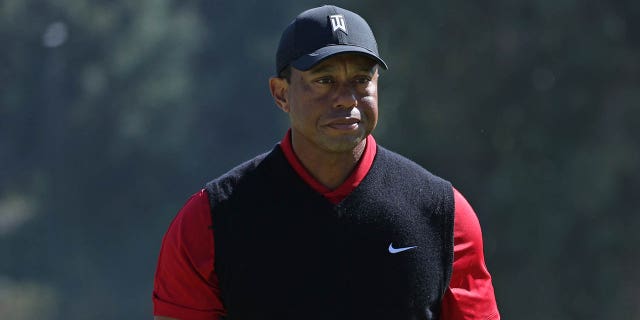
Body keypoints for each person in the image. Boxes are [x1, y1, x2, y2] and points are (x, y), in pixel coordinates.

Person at [153, 5, 500, 320]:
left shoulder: (444, 215)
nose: (346, 99)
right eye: (324, 81)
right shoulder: (209, 222)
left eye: (361, 80)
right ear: (281, 93)